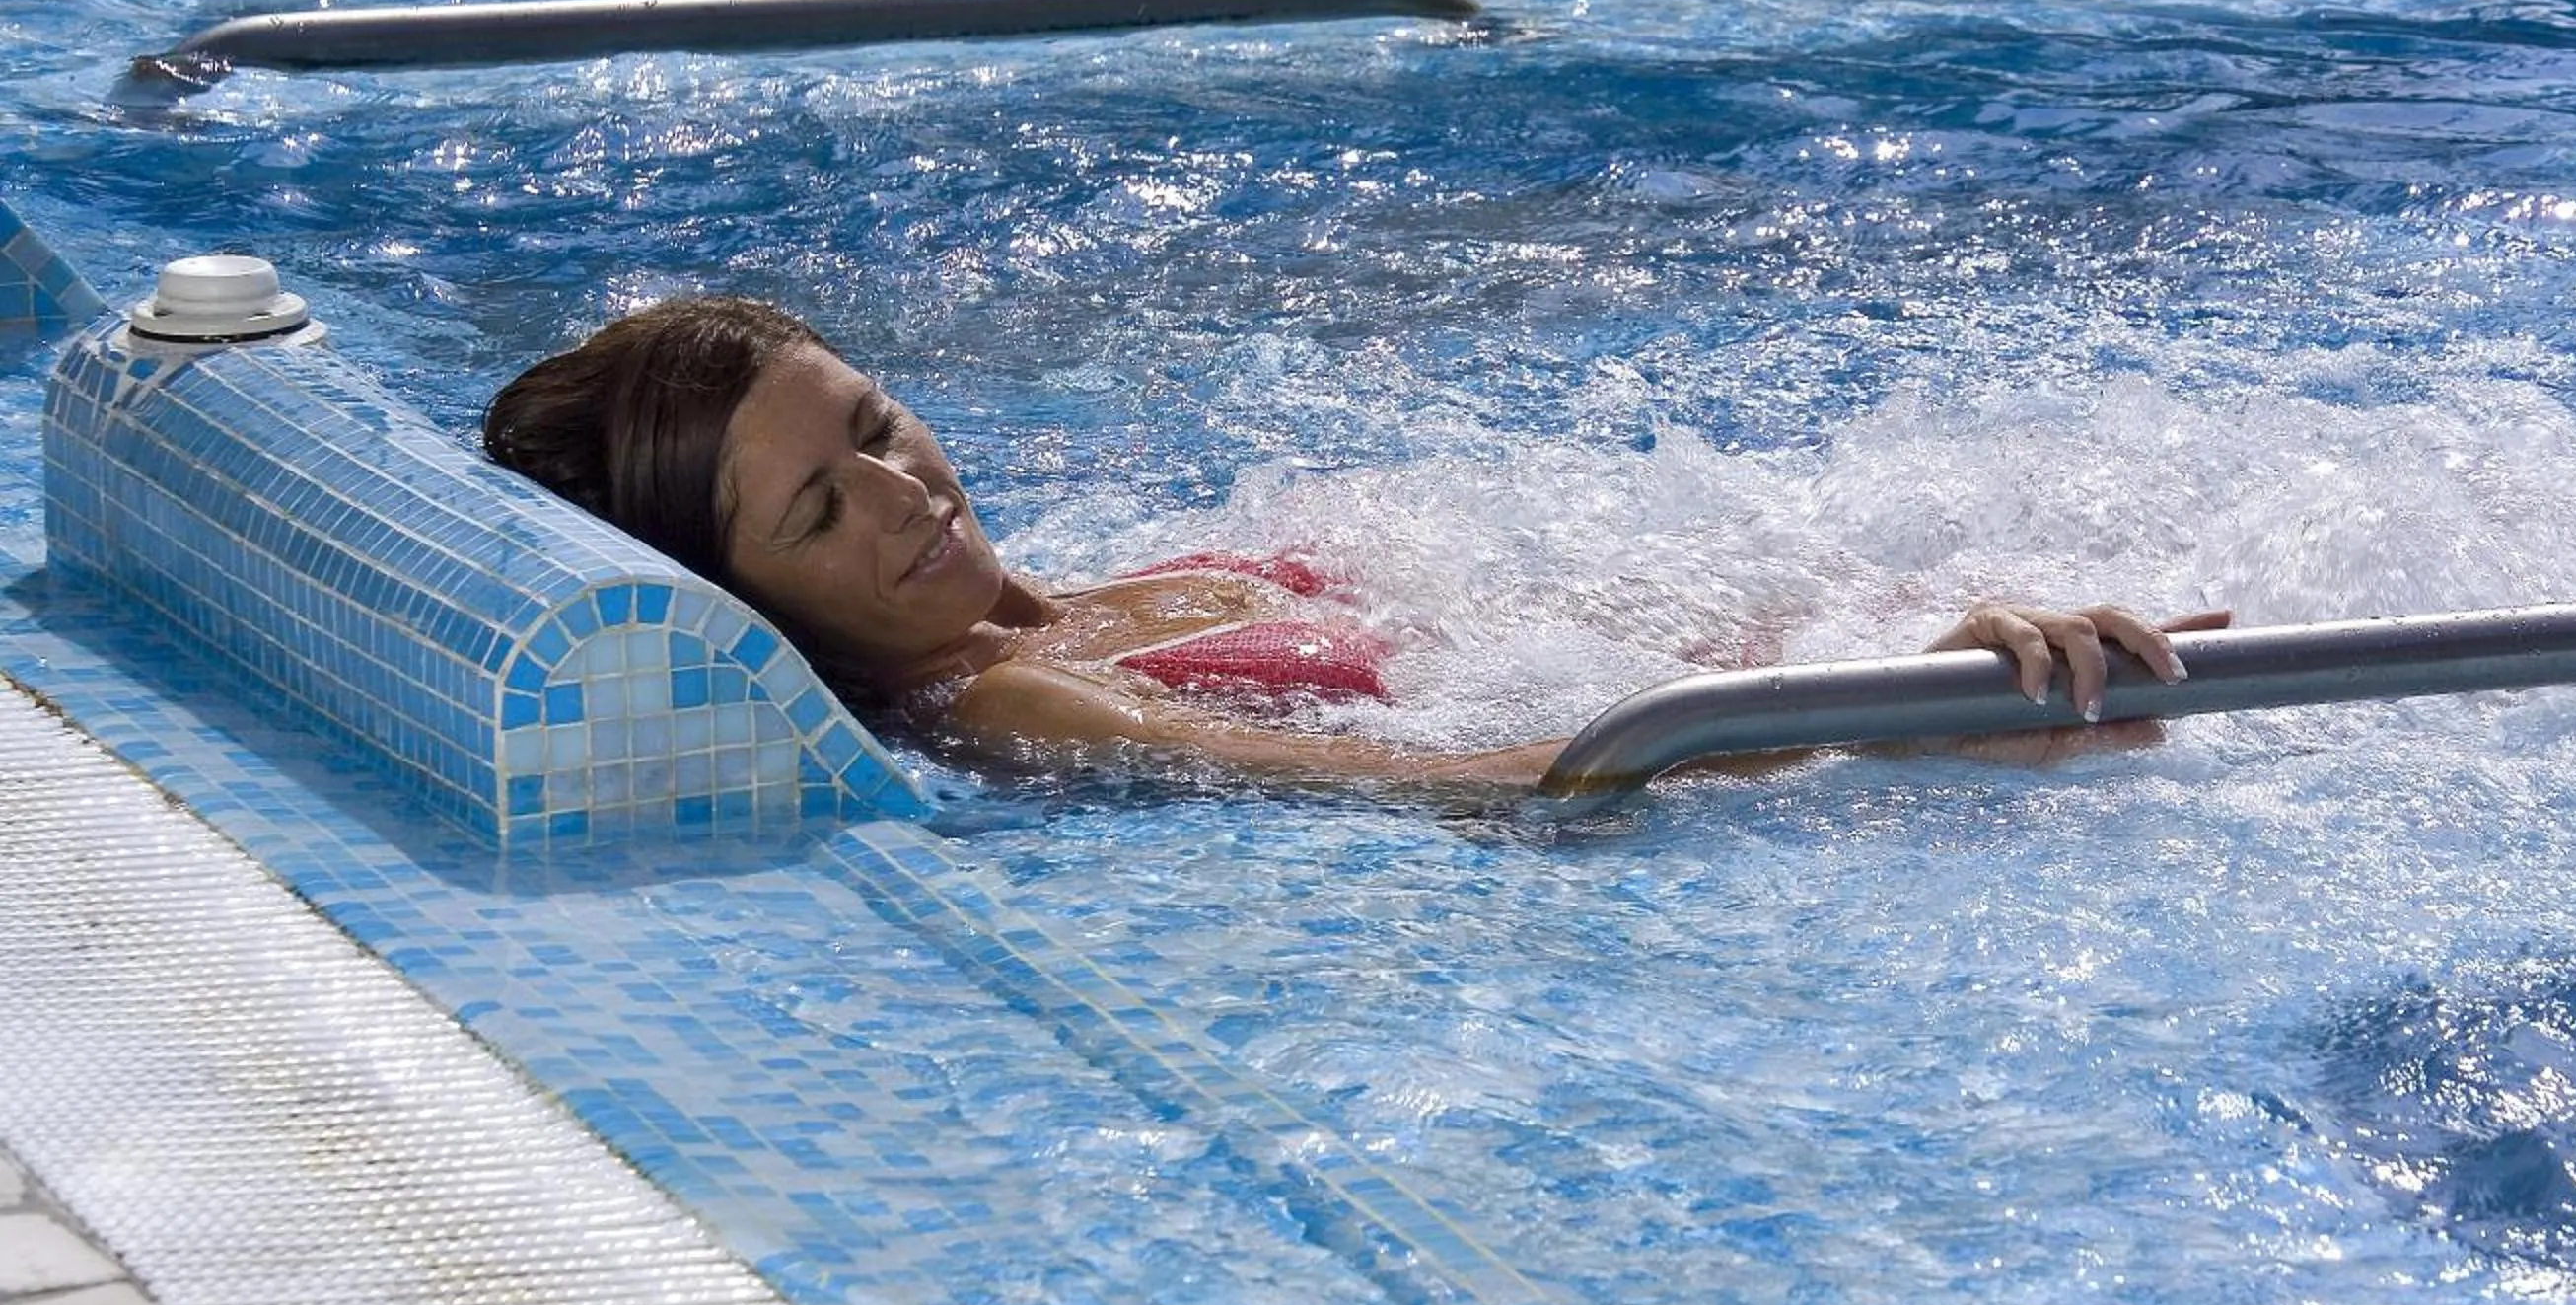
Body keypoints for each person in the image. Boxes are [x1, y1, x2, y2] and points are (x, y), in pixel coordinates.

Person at [482, 297, 2228, 795]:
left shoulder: (1120, 583)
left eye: (872, 424)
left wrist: (1905, 620)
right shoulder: (1021, 711)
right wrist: (1884, 717)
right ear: (751, 600)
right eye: (815, 506)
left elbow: (1569, 618)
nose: (900, 488)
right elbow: (1477, 782)